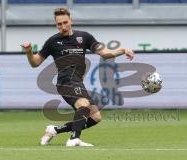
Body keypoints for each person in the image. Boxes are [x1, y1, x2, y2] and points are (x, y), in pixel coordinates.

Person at [21, 7, 134, 147]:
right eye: (59, 24)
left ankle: (54, 130)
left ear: (71, 21)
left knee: (95, 117)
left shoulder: (84, 37)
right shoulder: (52, 42)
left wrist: (122, 50)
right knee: (83, 104)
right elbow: (35, 63)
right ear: (56, 25)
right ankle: (74, 139)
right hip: (65, 82)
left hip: (78, 83)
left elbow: (105, 53)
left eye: (65, 22)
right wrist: (29, 52)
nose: (63, 26)